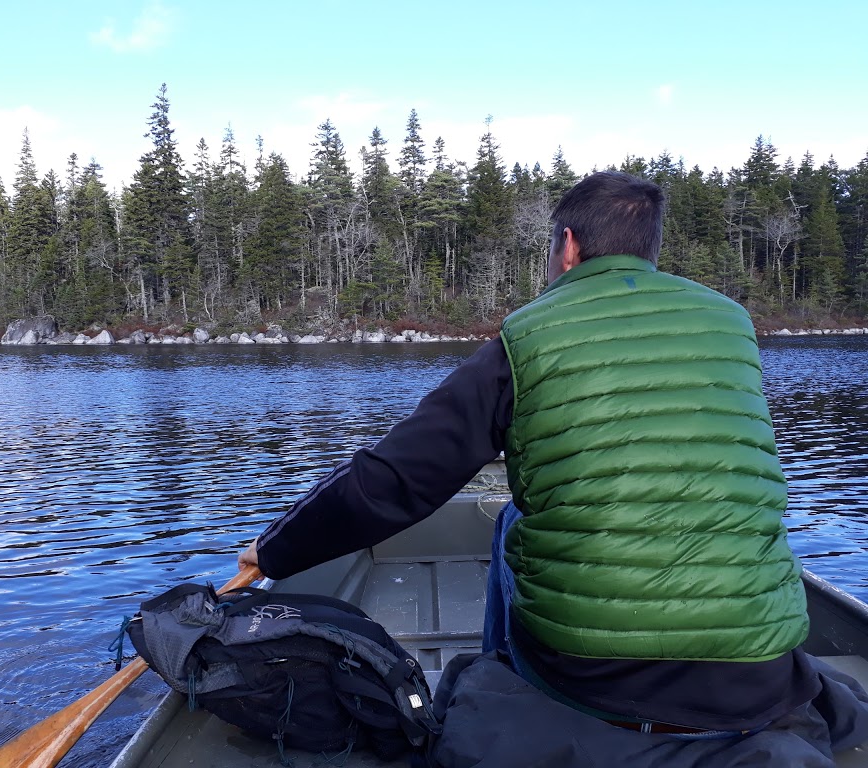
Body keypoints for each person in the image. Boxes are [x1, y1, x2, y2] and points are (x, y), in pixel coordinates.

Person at [239, 172, 868, 764]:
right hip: (759, 672)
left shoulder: (528, 333)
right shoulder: (732, 322)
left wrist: (275, 551)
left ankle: (508, 681)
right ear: (649, 250)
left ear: (567, 246)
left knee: (515, 518)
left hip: (596, 677)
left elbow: (394, 481)